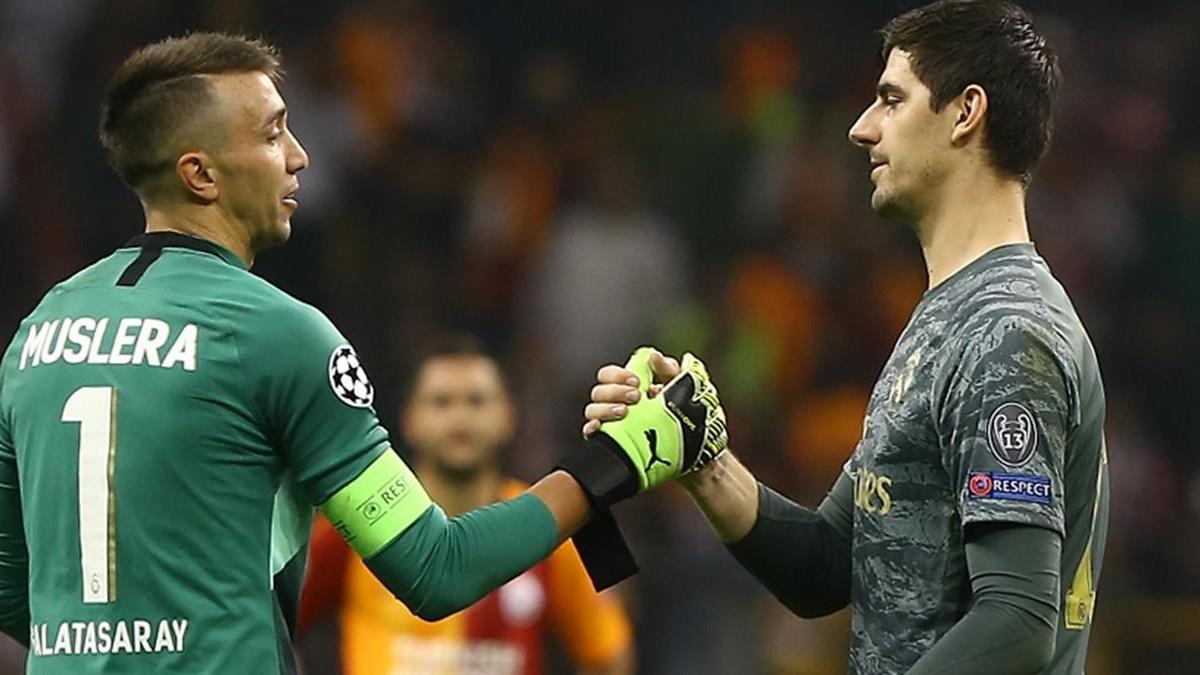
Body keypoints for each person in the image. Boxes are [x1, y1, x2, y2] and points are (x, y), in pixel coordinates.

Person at [0, 33, 726, 674]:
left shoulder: (38, 332)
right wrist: (616, 462)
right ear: (201, 174)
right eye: (273, 134)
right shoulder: (276, 333)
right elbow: (435, 568)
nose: (299, 155)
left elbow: (8, 583)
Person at [584, 2, 1108, 673]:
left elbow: (1017, 620)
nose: (862, 129)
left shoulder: (1007, 329)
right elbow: (828, 565)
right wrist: (703, 460)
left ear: (966, 112)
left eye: (892, 99)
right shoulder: (949, 317)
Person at [299, 335, 633, 675]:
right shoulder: (360, 521)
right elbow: (274, 621)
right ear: (409, 419)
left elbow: (606, 652)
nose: (460, 417)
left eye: (476, 401)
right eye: (442, 402)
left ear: (508, 416)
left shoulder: (551, 523)